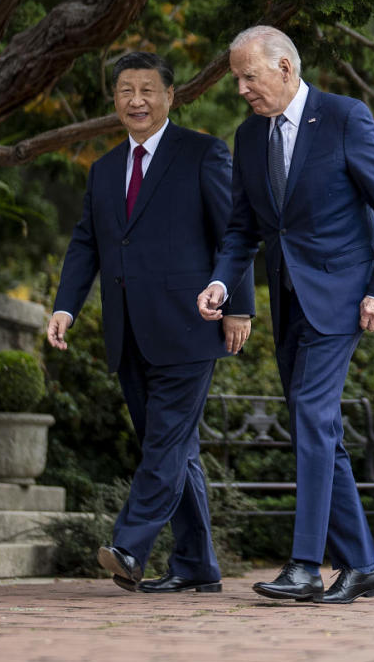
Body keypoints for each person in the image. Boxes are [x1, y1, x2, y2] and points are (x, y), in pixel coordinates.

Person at [197, 26, 374, 604]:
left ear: (286, 68)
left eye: (249, 76)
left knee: (313, 418)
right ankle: (362, 566)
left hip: (342, 298)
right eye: (237, 78)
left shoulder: (344, 117)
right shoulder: (248, 138)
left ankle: (304, 565)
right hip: (287, 300)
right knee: (318, 429)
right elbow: (243, 228)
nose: (241, 88)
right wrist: (221, 281)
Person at [48, 51, 254, 594]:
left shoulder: (202, 153)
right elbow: (87, 243)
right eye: (125, 91)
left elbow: (234, 234)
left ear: (170, 96)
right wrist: (66, 306)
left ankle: (130, 547)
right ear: (114, 100)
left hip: (189, 326)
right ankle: (197, 564)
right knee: (174, 450)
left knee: (164, 444)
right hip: (128, 335)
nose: (135, 100)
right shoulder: (104, 169)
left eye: (147, 90)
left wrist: (239, 306)